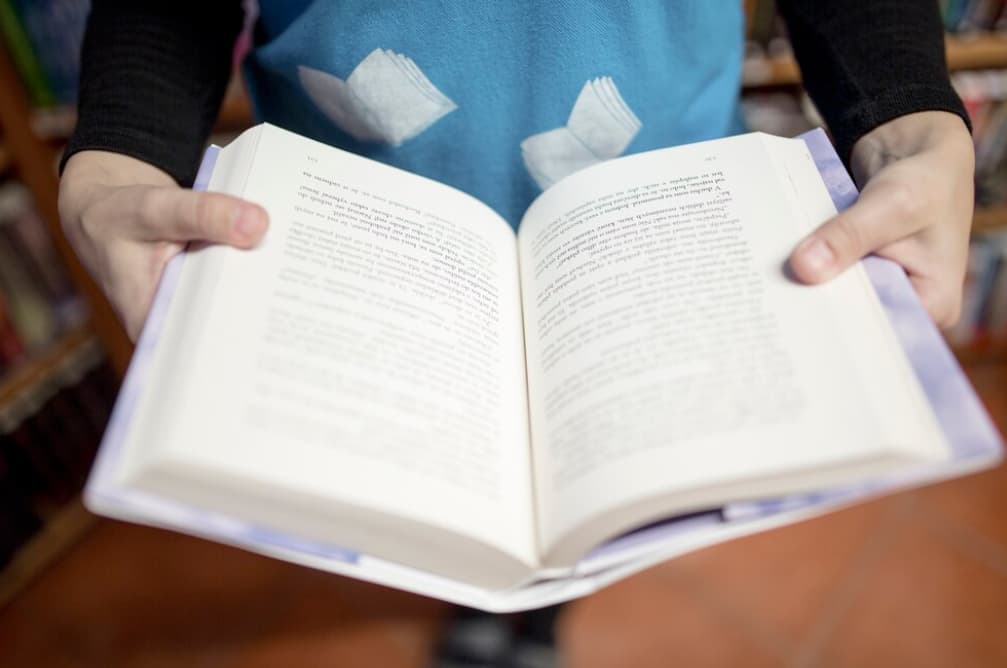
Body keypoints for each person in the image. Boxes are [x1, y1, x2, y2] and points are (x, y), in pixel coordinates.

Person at [56, 1, 975, 665]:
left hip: (652, 211)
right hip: (364, 228)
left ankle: (547, 612)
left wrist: (903, 117)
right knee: (411, 463)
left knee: (612, 471)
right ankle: (471, 593)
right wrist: (121, 146)